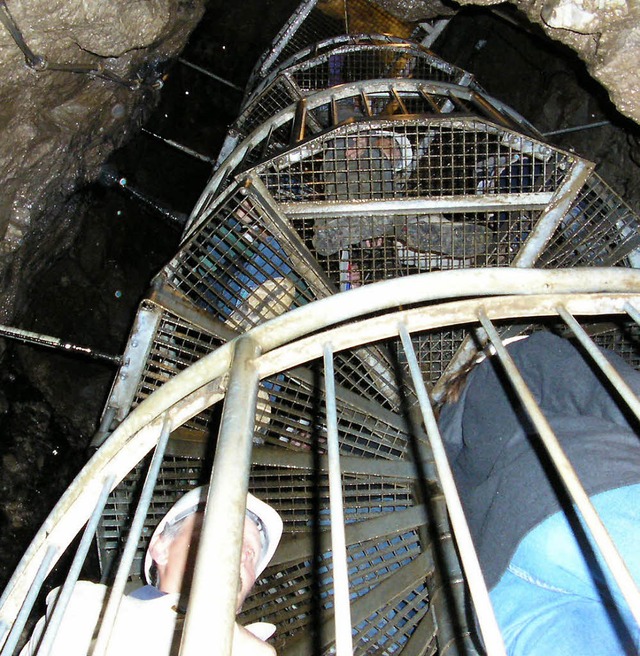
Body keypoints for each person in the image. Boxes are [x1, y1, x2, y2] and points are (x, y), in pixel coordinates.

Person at [438, 331, 640, 655]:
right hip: (588, 494)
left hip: (499, 584)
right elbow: (602, 386)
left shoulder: (447, 445)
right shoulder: (514, 361)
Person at [21, 486, 283, 655]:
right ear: (162, 548)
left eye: (250, 554)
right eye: (224, 534)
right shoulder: (86, 606)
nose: (238, 556)